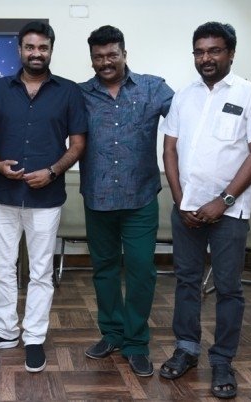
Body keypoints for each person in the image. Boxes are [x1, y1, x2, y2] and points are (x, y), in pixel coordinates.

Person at [160, 22, 251, 399]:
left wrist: (223, 201)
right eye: (199, 51)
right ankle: (186, 349)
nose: (205, 58)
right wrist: (180, 199)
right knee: (187, 281)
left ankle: (223, 359)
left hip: (230, 212)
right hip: (187, 211)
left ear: (231, 53)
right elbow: (169, 149)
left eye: (214, 50)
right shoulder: (184, 96)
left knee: (228, 288)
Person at [0, 21, 87, 373]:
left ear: (51, 49)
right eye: (30, 47)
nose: (36, 53)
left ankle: (34, 336)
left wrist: (53, 171)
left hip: (46, 198)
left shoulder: (69, 92)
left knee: (40, 271)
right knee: (1, 267)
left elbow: (78, 144)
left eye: (43, 47)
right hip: (4, 195)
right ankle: (5, 331)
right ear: (19, 49)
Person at [78, 26, 174, 377]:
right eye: (98, 57)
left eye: (112, 55)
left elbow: (193, 113)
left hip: (140, 198)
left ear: (124, 54)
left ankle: (136, 342)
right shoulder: (79, 94)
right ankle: (112, 334)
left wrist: (242, 97)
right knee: (103, 270)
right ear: (92, 59)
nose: (106, 62)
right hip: (98, 199)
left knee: (140, 269)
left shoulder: (152, 88)